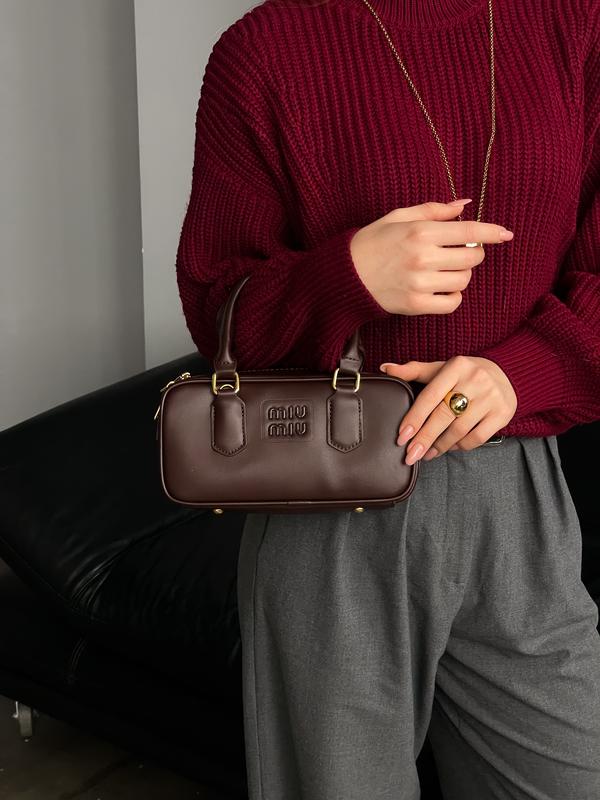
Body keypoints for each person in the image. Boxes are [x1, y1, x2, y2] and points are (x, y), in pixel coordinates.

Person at [175, 0, 600, 796]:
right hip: (330, 500)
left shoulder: (574, 25)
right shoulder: (265, 50)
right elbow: (217, 309)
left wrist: (523, 371)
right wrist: (346, 278)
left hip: (517, 493)